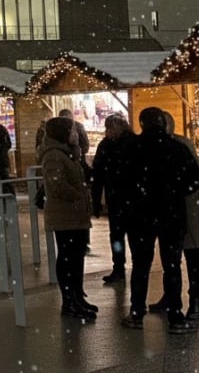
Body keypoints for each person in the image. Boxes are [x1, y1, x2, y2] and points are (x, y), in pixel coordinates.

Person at [120, 107, 199, 334]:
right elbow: (195, 179)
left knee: (141, 265)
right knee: (172, 265)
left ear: (142, 124)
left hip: (140, 216)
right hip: (171, 215)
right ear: (162, 123)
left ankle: (136, 312)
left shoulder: (131, 148)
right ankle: (175, 315)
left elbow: (120, 181)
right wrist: (176, 192)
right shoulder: (176, 148)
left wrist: (132, 202)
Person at [147, 111, 199, 323]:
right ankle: (171, 296)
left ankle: (195, 299)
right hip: (171, 211)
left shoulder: (181, 145)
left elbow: (196, 177)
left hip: (188, 210)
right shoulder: (162, 145)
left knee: (191, 255)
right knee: (171, 260)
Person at [39, 116, 97, 320]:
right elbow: (57, 184)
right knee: (68, 256)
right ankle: (69, 300)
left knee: (77, 255)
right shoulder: (54, 155)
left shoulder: (69, 153)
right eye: (72, 131)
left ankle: (77, 296)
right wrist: (79, 195)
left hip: (75, 213)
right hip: (64, 214)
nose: (76, 134)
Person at [91, 114, 134, 284]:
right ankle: (124, 267)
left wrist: (96, 200)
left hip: (119, 197)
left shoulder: (108, 146)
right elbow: (98, 174)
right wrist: (96, 200)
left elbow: (97, 174)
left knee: (118, 235)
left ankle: (120, 268)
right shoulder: (132, 143)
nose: (107, 131)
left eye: (109, 128)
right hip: (127, 198)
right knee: (124, 235)